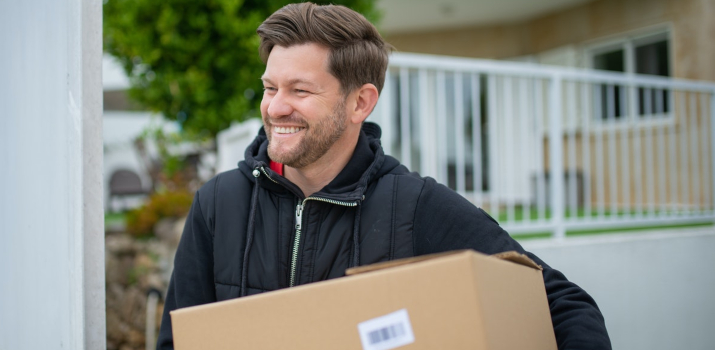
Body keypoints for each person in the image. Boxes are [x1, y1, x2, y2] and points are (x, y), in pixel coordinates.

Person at [157, 3, 612, 349]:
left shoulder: (414, 207)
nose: (275, 107)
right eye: (270, 87)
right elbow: (177, 341)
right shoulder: (218, 205)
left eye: (300, 90)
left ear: (361, 103)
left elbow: (563, 306)